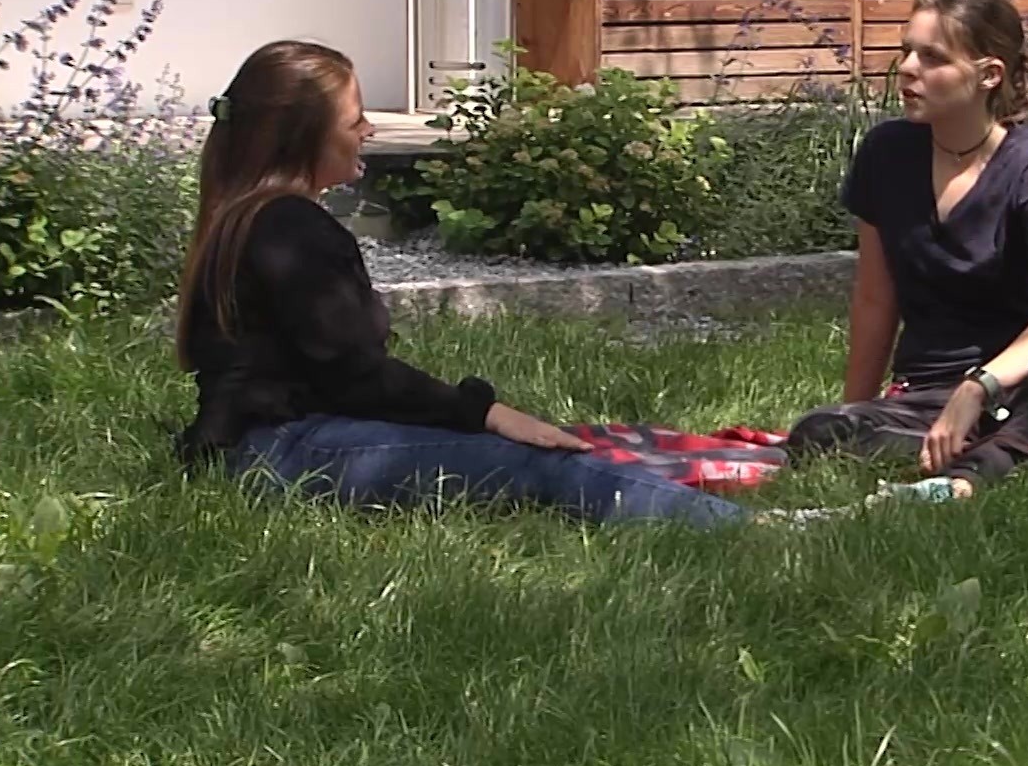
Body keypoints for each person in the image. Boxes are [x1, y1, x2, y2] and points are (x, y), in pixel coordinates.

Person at [171, 40, 747, 528]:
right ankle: (746, 529)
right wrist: (485, 413)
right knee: (541, 464)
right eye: (354, 121)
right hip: (289, 453)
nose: (368, 130)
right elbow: (357, 380)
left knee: (527, 447)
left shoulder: (247, 216)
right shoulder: (289, 227)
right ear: (304, 138)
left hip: (259, 448)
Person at [785, 0, 1028, 500]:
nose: (908, 68)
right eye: (907, 51)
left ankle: (968, 478)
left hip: (1027, 388)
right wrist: (853, 409)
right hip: (925, 401)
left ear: (988, 75)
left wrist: (979, 385)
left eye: (932, 57)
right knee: (818, 432)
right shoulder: (886, 154)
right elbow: (875, 299)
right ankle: (1003, 460)